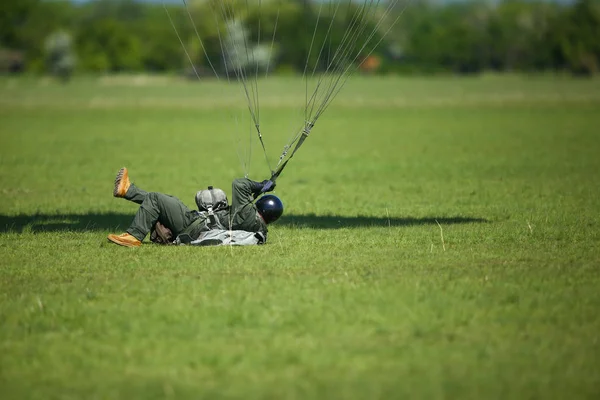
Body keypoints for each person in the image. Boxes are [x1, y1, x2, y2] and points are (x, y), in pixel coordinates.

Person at [107, 168, 283, 247]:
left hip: (193, 226)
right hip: (197, 227)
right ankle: (128, 190)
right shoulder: (259, 227)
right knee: (167, 201)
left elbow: (239, 184)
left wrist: (260, 185)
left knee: (156, 198)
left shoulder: (247, 214)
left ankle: (133, 236)